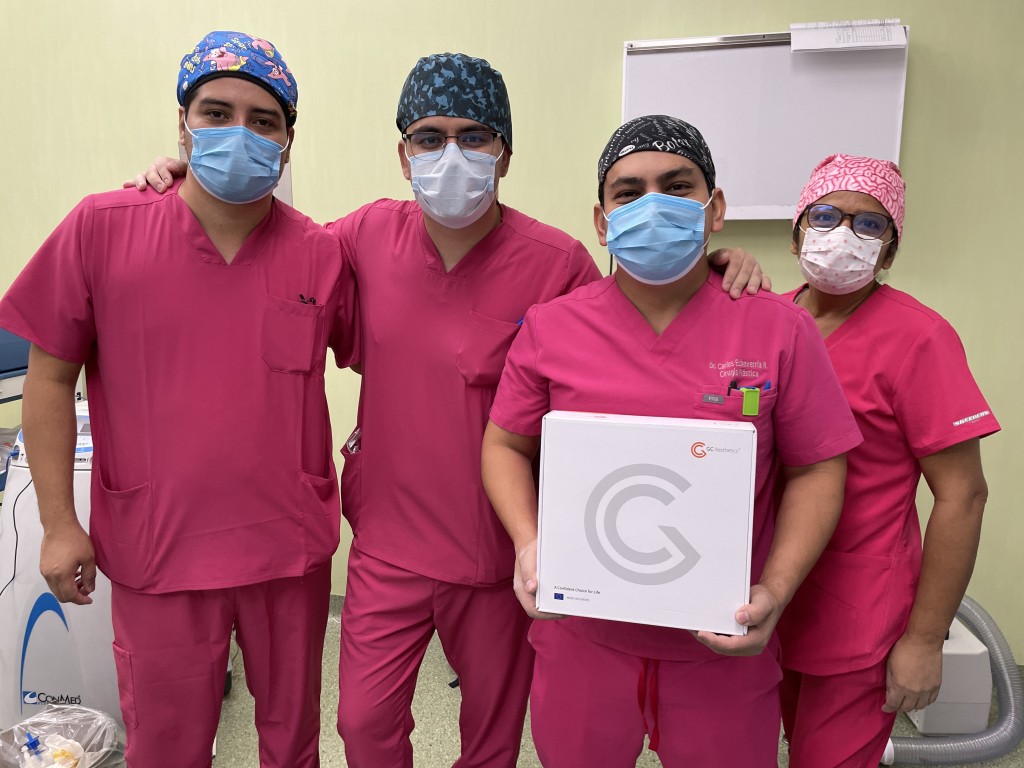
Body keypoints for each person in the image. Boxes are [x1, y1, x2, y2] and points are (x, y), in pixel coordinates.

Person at [126, 55, 770, 767]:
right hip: (388, 544)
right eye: (429, 138)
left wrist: (715, 263)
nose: (451, 155)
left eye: (475, 136)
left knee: (492, 739)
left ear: (505, 154)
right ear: (404, 155)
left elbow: (632, 317)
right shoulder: (362, 238)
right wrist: (190, 184)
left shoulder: (556, 263)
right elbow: (269, 245)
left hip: (502, 554)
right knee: (364, 726)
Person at [0, 31, 355, 768]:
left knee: (292, 744)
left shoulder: (319, 253)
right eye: (216, 113)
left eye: (263, 121)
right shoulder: (103, 227)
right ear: (183, 124)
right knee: (167, 747)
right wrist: (60, 525)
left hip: (286, 552)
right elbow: (50, 378)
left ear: (288, 140)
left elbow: (394, 350)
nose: (239, 133)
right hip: (160, 550)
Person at [481, 114, 864, 767]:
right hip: (583, 638)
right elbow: (504, 446)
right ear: (602, 221)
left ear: (715, 209)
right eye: (628, 193)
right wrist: (528, 543)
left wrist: (775, 591)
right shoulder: (552, 328)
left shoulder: (779, 329)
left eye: (677, 186)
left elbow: (818, 469)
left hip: (723, 643)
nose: (653, 206)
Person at [774, 154, 999, 767]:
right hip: (768, 594)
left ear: (890, 251)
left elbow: (963, 495)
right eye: (826, 216)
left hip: (856, 605)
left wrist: (925, 640)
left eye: (869, 224)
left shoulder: (919, 338)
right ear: (796, 233)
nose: (843, 234)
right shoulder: (767, 321)